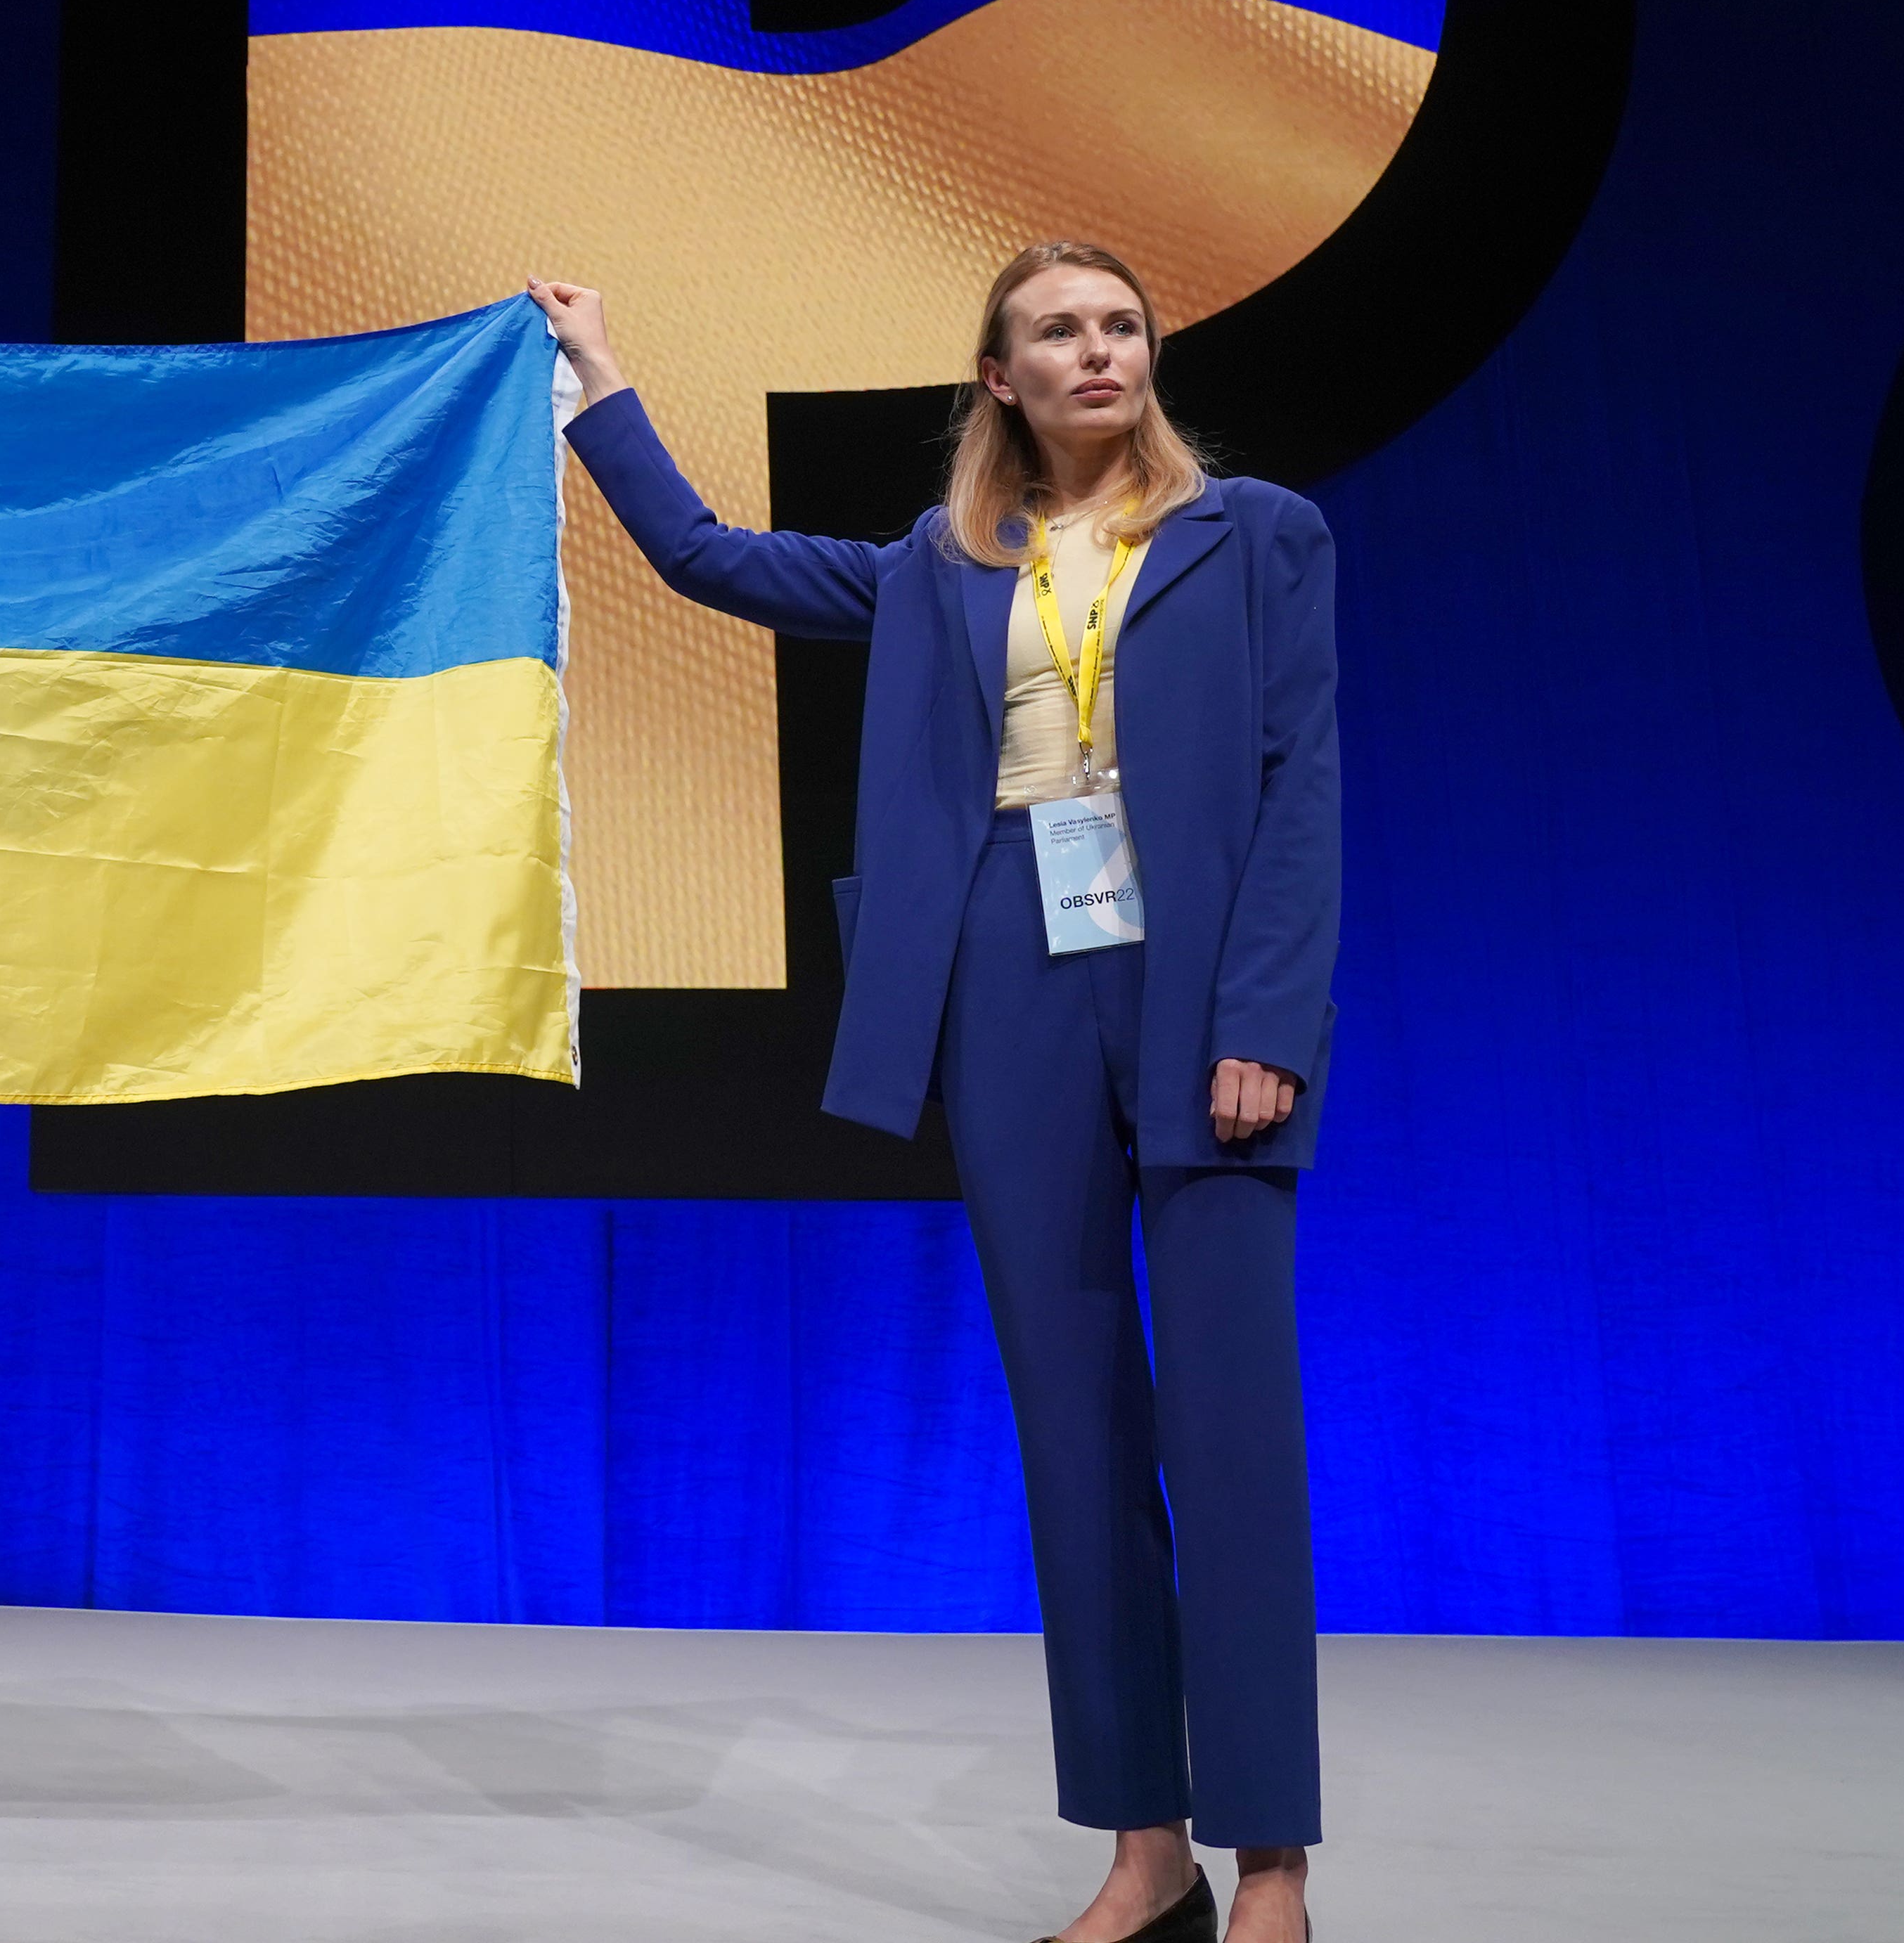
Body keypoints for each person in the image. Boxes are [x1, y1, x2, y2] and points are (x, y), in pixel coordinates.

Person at [534, 243, 1330, 1943]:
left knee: (1234, 1437)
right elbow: (703, 558)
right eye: (1061, 329)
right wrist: (599, 374)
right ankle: (1144, 1850)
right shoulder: (940, 563)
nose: (1098, 348)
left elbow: (1301, 790)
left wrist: (1267, 1016)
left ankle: (1275, 1870)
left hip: (1200, 1000)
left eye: (1120, 324)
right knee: (1075, 1431)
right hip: (1011, 986)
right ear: (1003, 378)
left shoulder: (1257, 533)